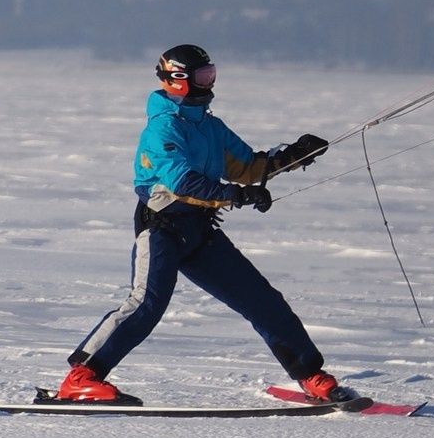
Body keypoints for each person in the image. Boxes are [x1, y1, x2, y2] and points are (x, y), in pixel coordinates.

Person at [53, 44, 355, 405]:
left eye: (211, 74)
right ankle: (81, 378)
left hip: (199, 231)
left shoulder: (210, 125)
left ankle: (310, 376)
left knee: (262, 300)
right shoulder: (163, 128)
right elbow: (182, 183)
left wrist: (292, 156)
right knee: (146, 303)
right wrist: (235, 195)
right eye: (202, 76)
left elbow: (248, 168)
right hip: (162, 229)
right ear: (179, 79)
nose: (209, 82)